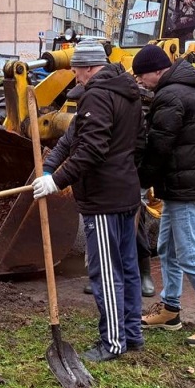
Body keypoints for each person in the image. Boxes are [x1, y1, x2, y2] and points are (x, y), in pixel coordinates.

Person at [32, 39, 145, 362]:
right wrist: (49, 166)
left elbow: (92, 150)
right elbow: (74, 137)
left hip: (104, 198)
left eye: (77, 70)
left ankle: (113, 343)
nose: (75, 75)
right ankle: (132, 334)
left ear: (90, 68)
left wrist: (57, 182)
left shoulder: (97, 95)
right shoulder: (128, 92)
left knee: (106, 272)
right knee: (128, 268)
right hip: (126, 192)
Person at [133, 44, 195, 348]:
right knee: (167, 248)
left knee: (190, 255)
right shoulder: (184, 89)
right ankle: (170, 309)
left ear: (157, 72)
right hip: (185, 183)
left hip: (186, 187)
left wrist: (141, 182)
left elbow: (159, 146)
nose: (140, 81)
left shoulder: (171, 96)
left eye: (141, 75)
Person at [42, 86, 155, 298]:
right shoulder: (81, 120)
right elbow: (64, 145)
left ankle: (144, 272)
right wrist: (47, 170)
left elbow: (97, 152)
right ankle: (100, 274)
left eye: (81, 105)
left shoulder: (116, 115)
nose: (79, 111)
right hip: (97, 189)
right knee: (98, 235)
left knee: (133, 229)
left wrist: (58, 180)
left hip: (124, 182)